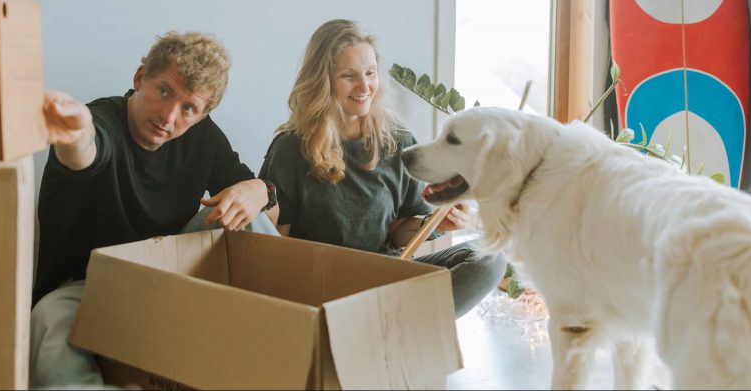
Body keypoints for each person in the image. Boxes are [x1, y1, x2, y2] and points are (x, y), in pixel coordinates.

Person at [30, 31, 279, 388]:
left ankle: (286, 345)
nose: (169, 115)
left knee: (250, 215)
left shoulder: (203, 136)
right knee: (47, 320)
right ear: (139, 78)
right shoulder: (101, 120)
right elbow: (87, 151)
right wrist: (74, 135)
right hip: (92, 285)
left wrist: (259, 189)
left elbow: (265, 209)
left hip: (168, 276)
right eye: (164, 91)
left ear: (201, 114)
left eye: (188, 108)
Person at [259, 19, 507, 319]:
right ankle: (389, 326)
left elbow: (400, 233)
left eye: (370, 73)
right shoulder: (290, 148)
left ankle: (392, 326)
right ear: (323, 80)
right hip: (323, 288)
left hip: (386, 278)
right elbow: (278, 247)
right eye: (349, 76)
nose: (365, 87)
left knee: (489, 260)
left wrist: (436, 224)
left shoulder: (397, 139)